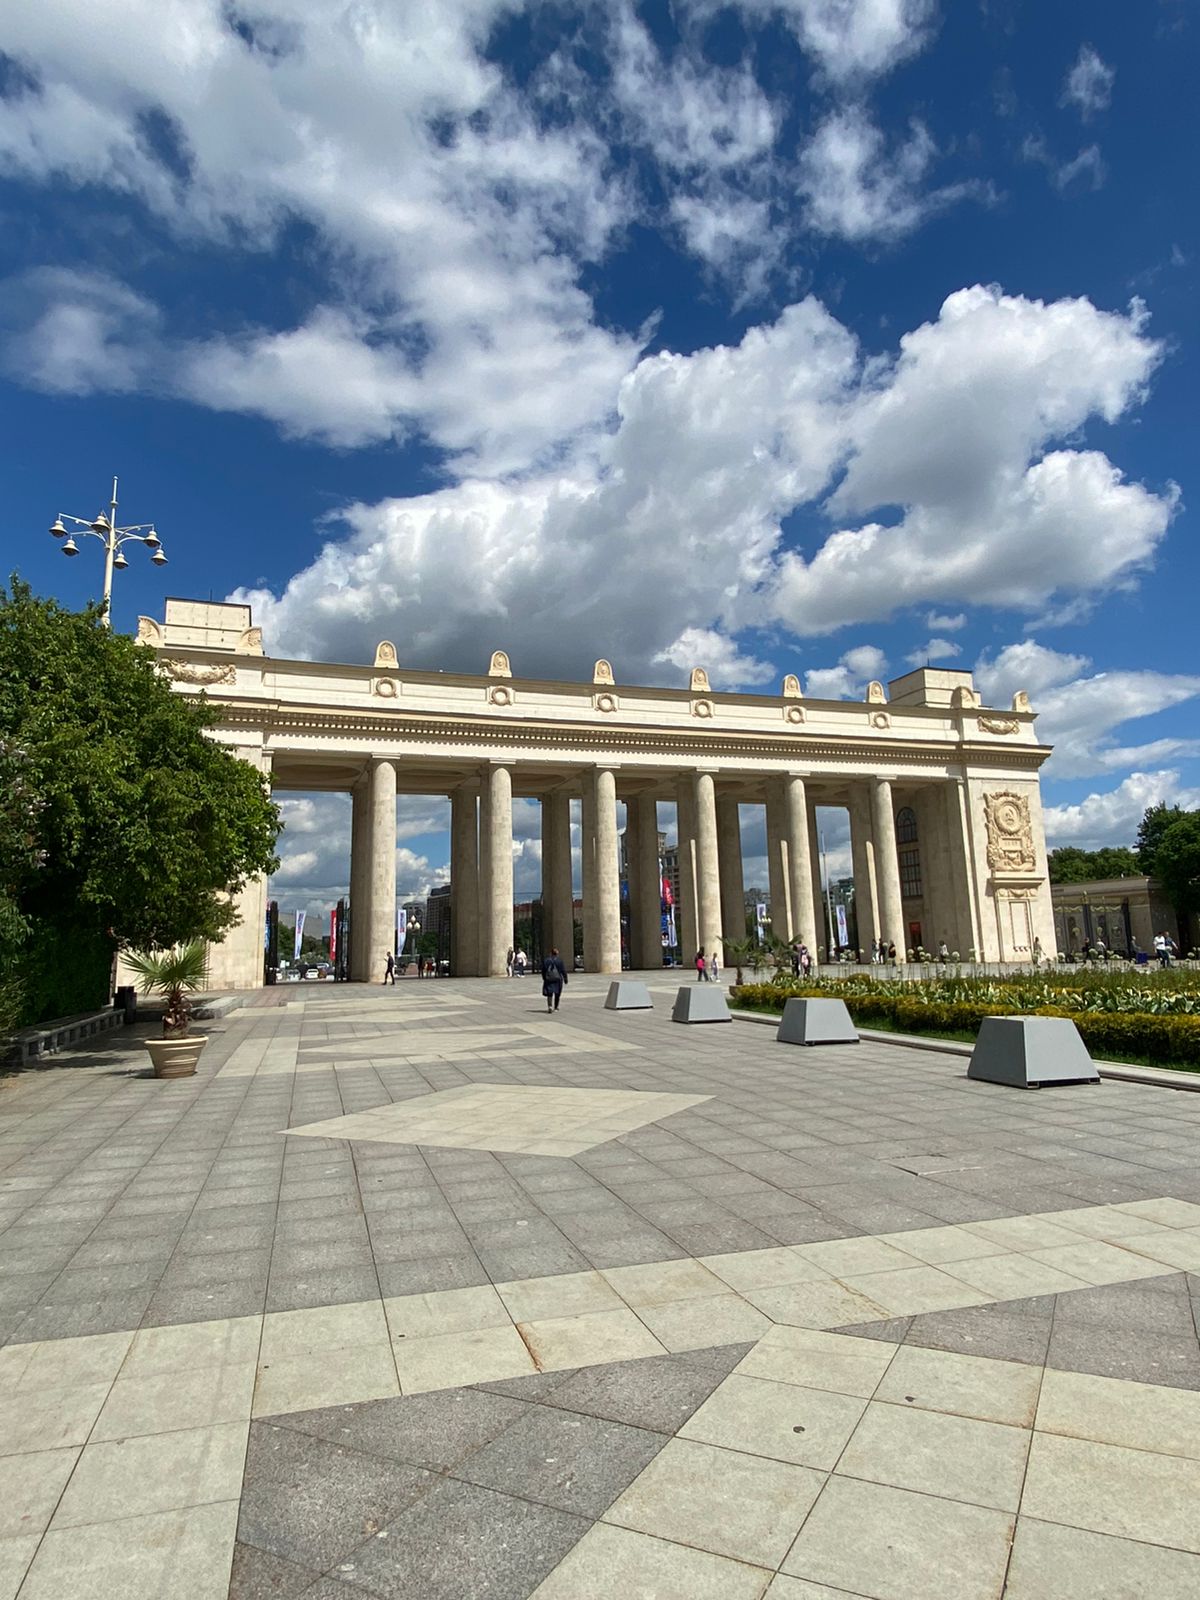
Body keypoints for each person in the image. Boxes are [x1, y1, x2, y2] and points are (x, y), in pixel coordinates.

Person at [541, 946, 568, 1012]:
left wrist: (544, 977)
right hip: (558, 979)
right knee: (557, 993)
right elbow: (563, 970)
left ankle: (550, 1006)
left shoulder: (546, 960)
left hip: (549, 979)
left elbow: (543, 970)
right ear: (557, 954)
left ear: (551, 953)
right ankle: (556, 1007)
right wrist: (565, 978)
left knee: (549, 993)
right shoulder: (559, 961)